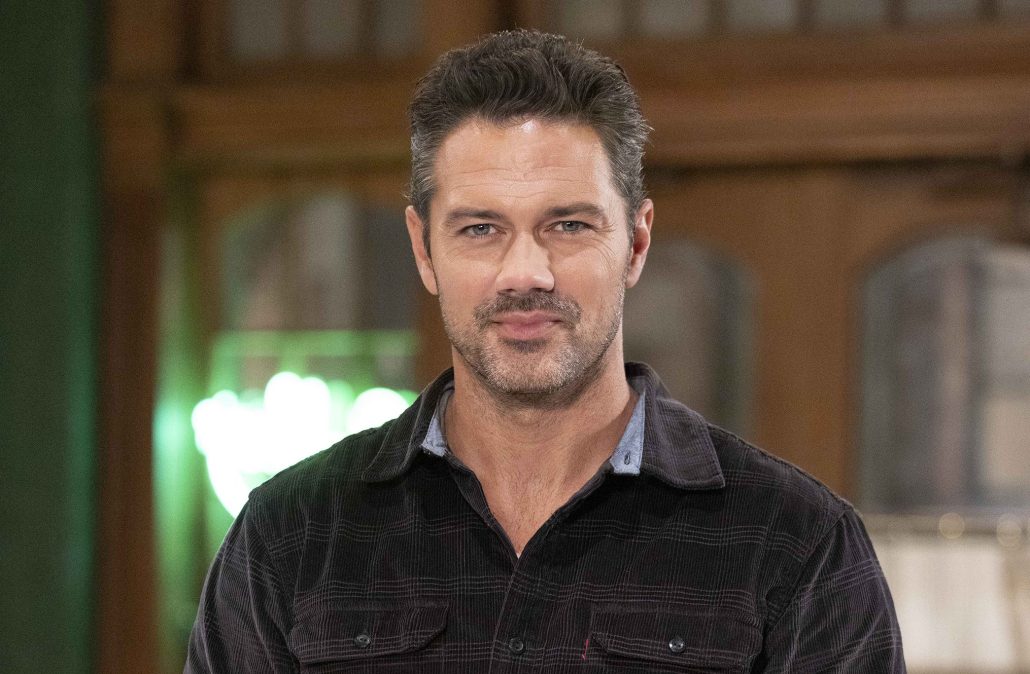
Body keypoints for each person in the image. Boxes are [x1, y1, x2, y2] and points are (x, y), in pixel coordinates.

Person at [186, 30, 905, 672]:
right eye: (480, 229)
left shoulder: (797, 544)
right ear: (423, 249)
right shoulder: (291, 535)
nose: (525, 273)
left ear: (637, 242)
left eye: (567, 225)